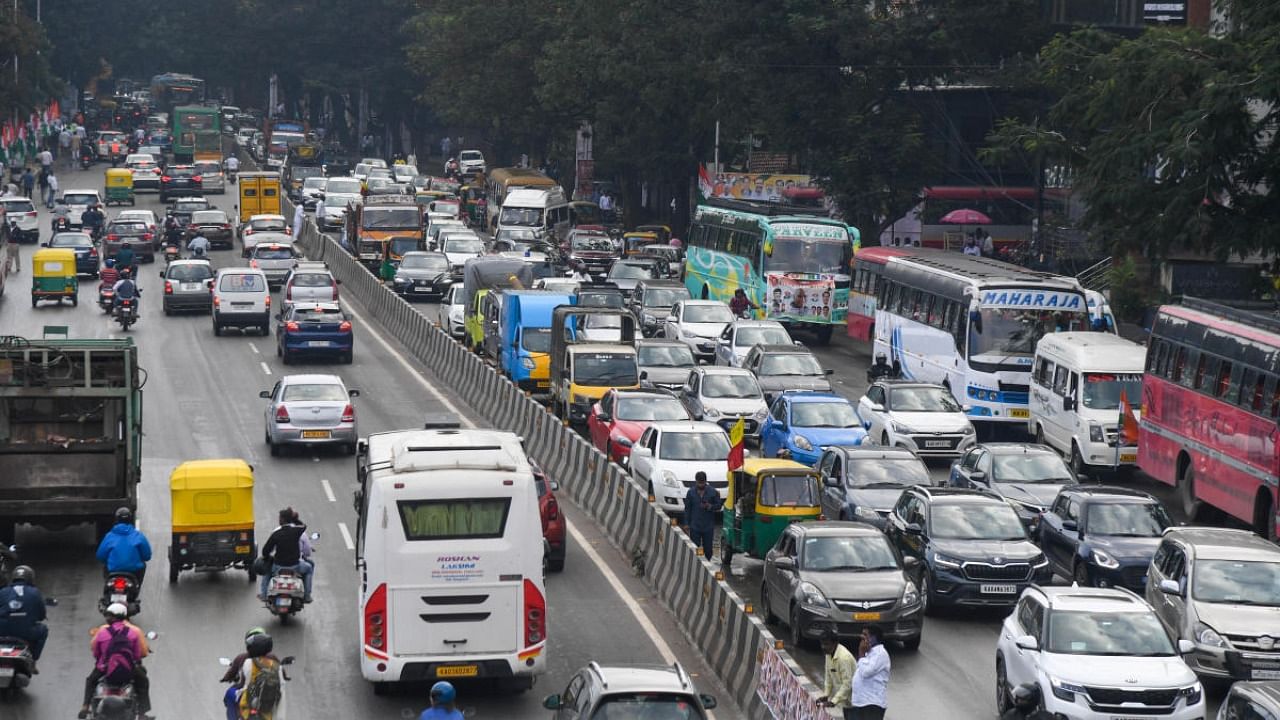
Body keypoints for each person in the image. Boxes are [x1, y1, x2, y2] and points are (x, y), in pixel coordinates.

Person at [79, 603, 151, 719]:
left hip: (105, 669)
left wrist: (102, 662)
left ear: (116, 617)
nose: (107, 618)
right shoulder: (132, 633)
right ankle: (142, 713)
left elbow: (96, 653)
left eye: (109, 616)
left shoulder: (102, 633)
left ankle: (85, 707)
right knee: (143, 681)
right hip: (128, 670)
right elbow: (137, 656)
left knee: (91, 681)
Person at [221, 628, 285, 720]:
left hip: (250, 699)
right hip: (271, 700)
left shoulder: (247, 662)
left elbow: (243, 681)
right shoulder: (275, 663)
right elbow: (282, 681)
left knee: (230, 694)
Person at [258, 507, 312, 603]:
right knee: (309, 568)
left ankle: (264, 595)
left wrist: (267, 557)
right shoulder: (296, 531)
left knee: (267, 570)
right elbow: (303, 526)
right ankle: (307, 596)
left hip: (278, 567)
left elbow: (265, 551)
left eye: (280, 518)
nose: (279, 519)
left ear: (282, 519)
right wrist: (295, 519)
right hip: (295, 566)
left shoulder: (276, 534)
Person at [0, 565, 48, 669]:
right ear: (31, 578)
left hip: (2, 631)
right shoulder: (35, 593)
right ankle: (33, 661)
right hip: (26, 632)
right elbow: (41, 614)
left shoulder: (3, 592)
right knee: (43, 630)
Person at [95, 506, 151, 586]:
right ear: (130, 519)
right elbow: (147, 556)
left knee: (105, 566)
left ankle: (108, 586)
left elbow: (100, 556)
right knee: (143, 565)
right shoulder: (138, 536)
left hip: (113, 571)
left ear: (116, 520)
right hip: (134, 571)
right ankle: (136, 586)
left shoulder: (109, 536)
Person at [850, 624, 891, 719]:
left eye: (865, 635)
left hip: (872, 704)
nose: (861, 637)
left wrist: (861, 653)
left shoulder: (880, 654)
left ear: (874, 638)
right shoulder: (869, 653)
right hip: (860, 703)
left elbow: (866, 672)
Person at [683, 472, 722, 559]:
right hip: (695, 526)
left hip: (708, 526)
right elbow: (687, 509)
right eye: (699, 483)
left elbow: (719, 505)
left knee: (708, 550)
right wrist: (686, 523)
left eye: (702, 483)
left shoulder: (713, 492)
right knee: (694, 548)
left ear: (706, 481)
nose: (701, 485)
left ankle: (707, 564)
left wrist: (710, 506)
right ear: (696, 481)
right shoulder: (690, 493)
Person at [817, 630, 855, 718]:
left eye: (826, 644)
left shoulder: (844, 658)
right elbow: (828, 677)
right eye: (822, 644)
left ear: (835, 643)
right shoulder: (828, 654)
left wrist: (834, 701)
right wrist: (826, 695)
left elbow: (848, 683)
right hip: (846, 701)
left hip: (856, 700)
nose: (823, 647)